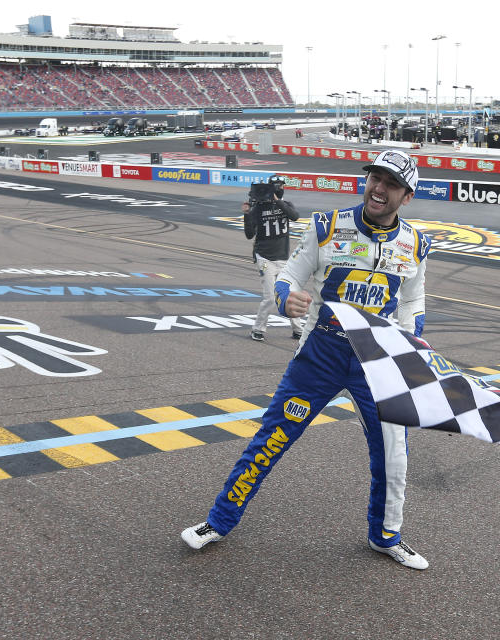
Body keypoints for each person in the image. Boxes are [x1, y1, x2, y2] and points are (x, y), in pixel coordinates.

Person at [182, 150, 433, 569]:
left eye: (390, 183)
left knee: (394, 453)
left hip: (379, 361)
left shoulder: (416, 243)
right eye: (375, 178)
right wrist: (286, 298)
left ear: (405, 196)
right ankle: (218, 522)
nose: (379, 188)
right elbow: (289, 276)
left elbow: (413, 299)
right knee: (273, 438)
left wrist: (411, 337)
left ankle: (385, 536)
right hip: (322, 352)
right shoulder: (327, 226)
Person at [242, 175, 304, 341]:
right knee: (270, 297)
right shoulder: (258, 208)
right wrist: (247, 215)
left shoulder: (286, 205)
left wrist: (277, 201)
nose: (281, 188)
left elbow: (295, 216)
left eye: (282, 186)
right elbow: (249, 235)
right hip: (265, 258)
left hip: (283, 258)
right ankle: (258, 329)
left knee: (290, 294)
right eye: (278, 186)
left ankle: (298, 329)